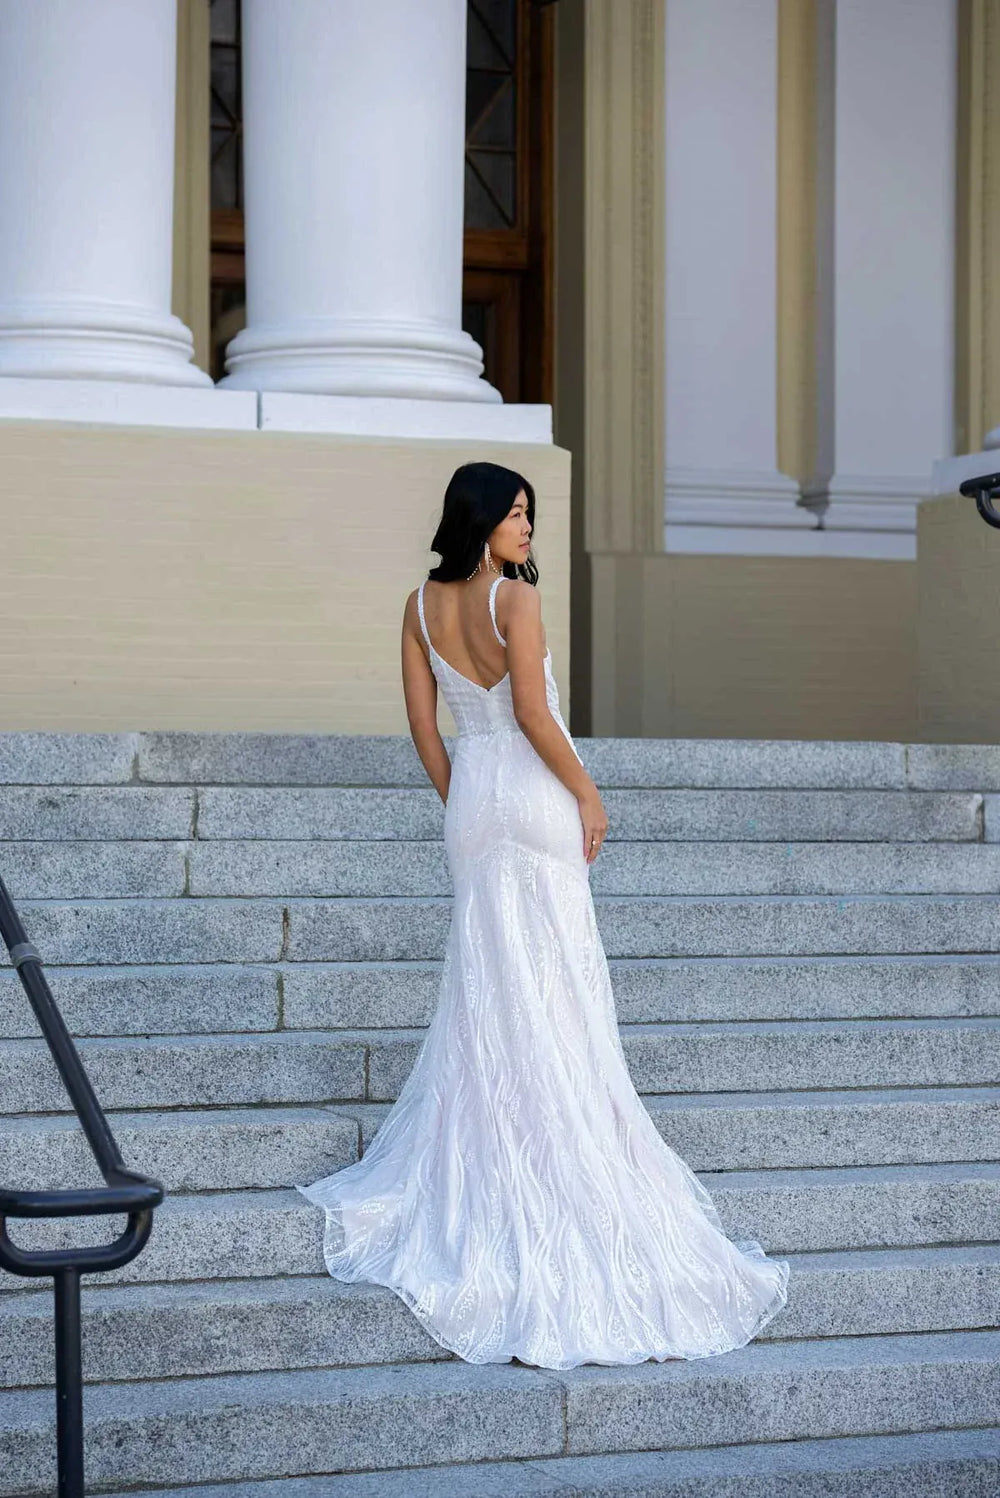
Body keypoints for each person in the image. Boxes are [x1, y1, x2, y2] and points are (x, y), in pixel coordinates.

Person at [297, 461, 788, 1369]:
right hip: (532, 793)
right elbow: (530, 708)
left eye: (530, 513)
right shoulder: (514, 600)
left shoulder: (416, 606)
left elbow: (424, 726)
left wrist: (460, 799)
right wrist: (588, 793)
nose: (527, 528)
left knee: (491, 989)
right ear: (480, 520)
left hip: (476, 804)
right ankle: (560, 1156)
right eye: (516, 514)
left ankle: (494, 1149)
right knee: (555, 986)